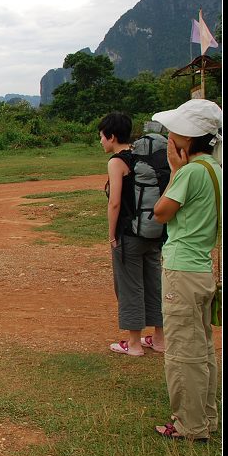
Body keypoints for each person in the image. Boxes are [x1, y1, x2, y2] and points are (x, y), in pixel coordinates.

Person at [151, 99, 222, 442]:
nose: (170, 135)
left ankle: (189, 425)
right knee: (203, 348)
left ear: (188, 137)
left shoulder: (191, 172)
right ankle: (206, 419)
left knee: (183, 351)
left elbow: (161, 212)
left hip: (182, 268)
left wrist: (175, 171)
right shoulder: (214, 168)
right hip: (202, 269)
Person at [99, 113, 164, 357]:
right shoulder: (145, 156)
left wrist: (112, 234)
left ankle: (134, 344)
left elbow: (114, 203)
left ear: (112, 136)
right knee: (154, 283)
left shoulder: (118, 162)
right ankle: (159, 339)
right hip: (154, 231)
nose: (101, 142)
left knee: (129, 286)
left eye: (102, 137)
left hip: (129, 234)